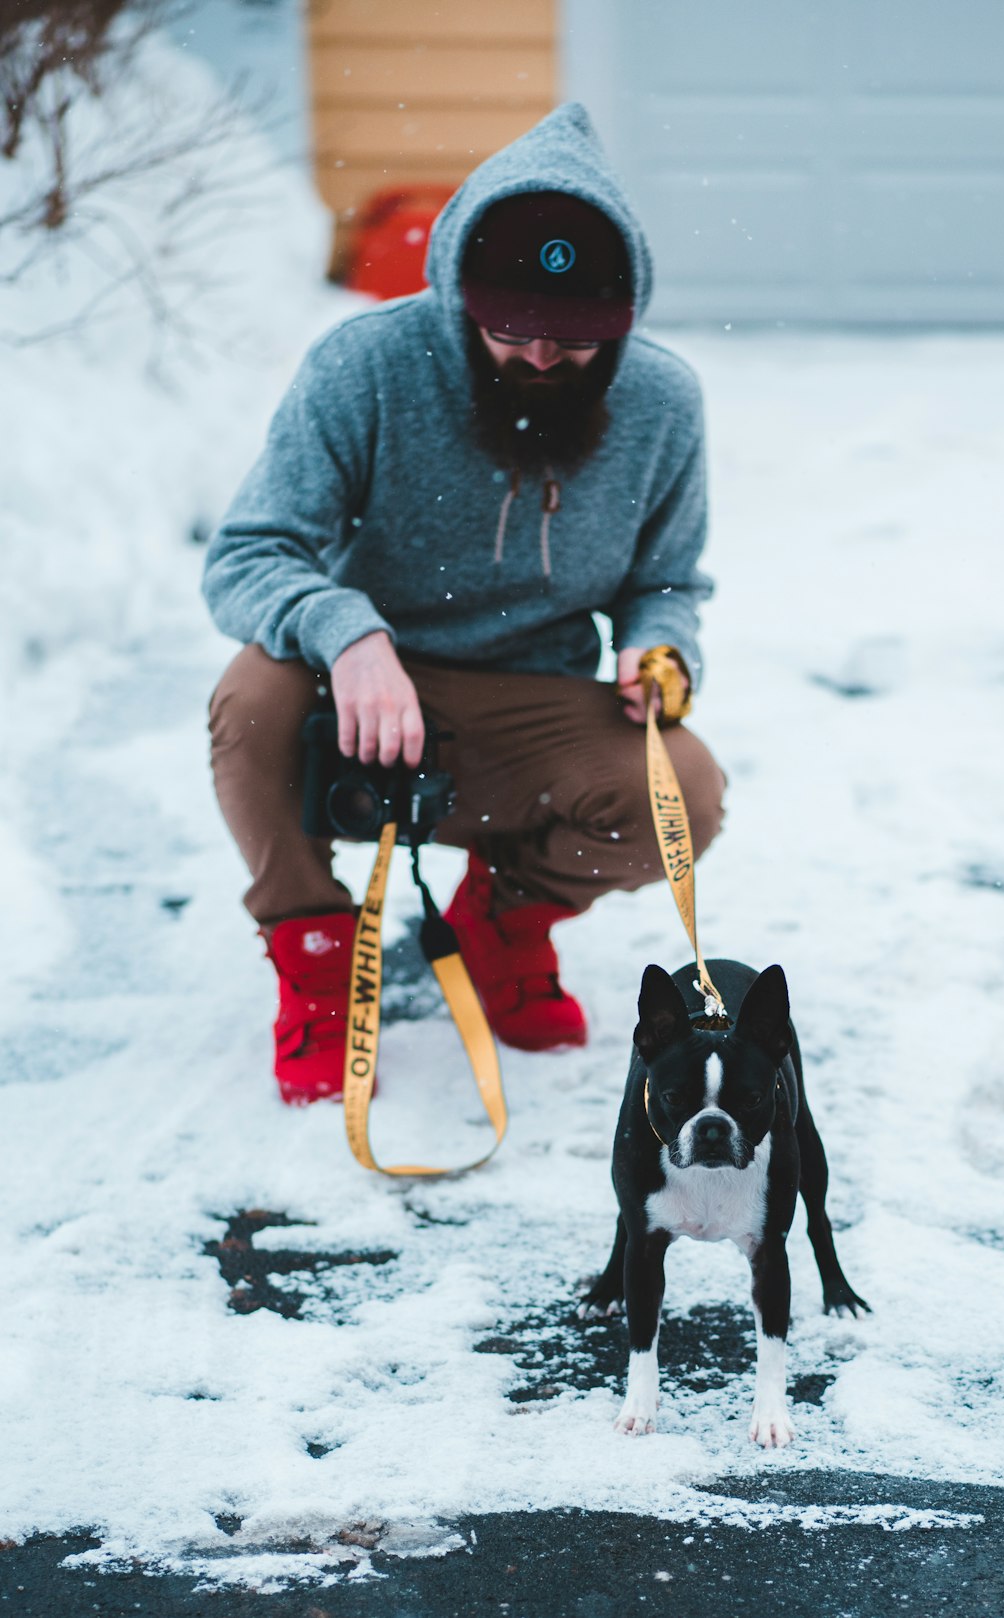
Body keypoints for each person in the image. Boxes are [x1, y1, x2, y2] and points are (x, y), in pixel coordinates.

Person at [203, 102, 726, 1105]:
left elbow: (668, 581)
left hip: (531, 702)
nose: (539, 360)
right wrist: (346, 633)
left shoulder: (664, 403)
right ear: (459, 293)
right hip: (364, 691)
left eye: (574, 343)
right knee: (254, 689)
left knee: (684, 794)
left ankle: (506, 923)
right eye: (513, 332)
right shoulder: (366, 366)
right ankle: (315, 956)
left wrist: (662, 650)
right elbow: (249, 552)